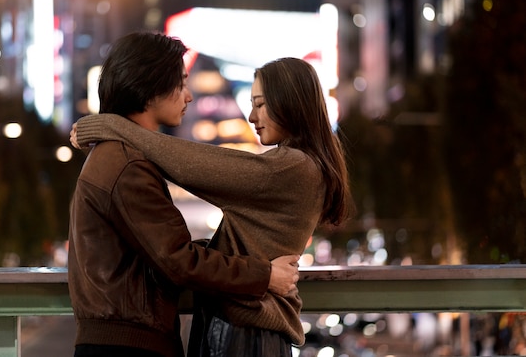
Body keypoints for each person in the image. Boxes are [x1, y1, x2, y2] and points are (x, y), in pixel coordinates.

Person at [71, 56, 354, 356]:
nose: (251, 116)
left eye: (260, 104)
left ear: (290, 102)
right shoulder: (300, 167)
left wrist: (103, 125)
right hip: (249, 331)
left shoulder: (291, 168)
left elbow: (186, 162)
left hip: (244, 333)